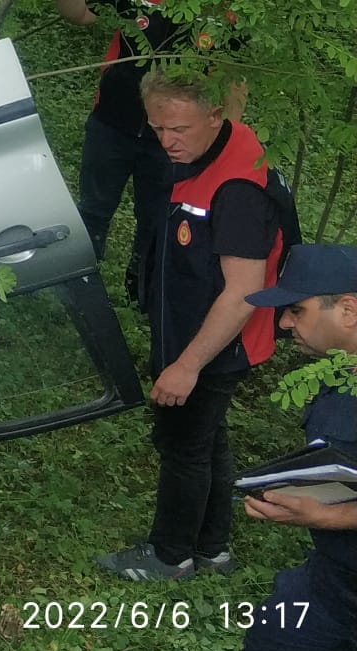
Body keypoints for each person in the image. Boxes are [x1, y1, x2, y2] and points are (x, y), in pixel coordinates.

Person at [97, 71, 285, 581]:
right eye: (157, 127)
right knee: (207, 438)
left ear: (215, 116)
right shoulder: (216, 146)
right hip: (195, 330)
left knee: (183, 445)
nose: (167, 141)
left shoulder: (238, 192)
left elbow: (243, 291)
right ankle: (213, 548)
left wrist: (186, 365)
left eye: (178, 128)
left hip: (217, 343)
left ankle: (169, 555)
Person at [50, 0, 243, 301]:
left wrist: (224, 140)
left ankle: (139, 298)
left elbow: (234, 80)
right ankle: (78, 290)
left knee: (156, 222)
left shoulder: (226, 10)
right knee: (94, 210)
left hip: (173, 141)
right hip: (111, 123)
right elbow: (82, 13)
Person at [231, 244, 357, 651]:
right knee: (271, 646)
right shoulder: (340, 373)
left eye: (296, 311)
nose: (284, 324)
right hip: (333, 585)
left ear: (348, 309)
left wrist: (328, 517)